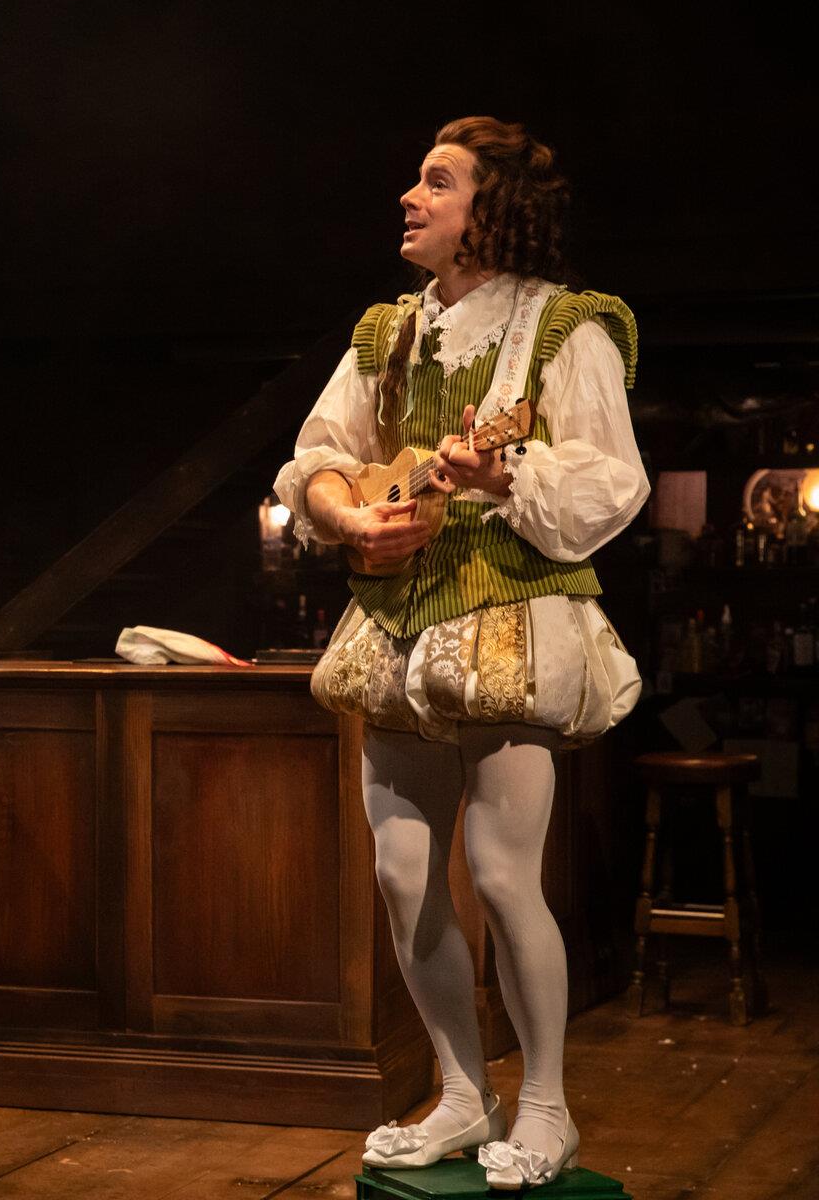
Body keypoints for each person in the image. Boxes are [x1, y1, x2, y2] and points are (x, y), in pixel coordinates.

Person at [273, 117, 646, 1190]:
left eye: (437, 182)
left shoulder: (562, 328)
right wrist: (351, 518)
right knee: (401, 876)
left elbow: (610, 481)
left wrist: (502, 474)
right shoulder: (387, 333)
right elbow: (319, 455)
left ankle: (548, 1107)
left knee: (499, 872)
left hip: (510, 611)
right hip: (399, 620)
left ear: (493, 210)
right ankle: (462, 1092)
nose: (411, 196)